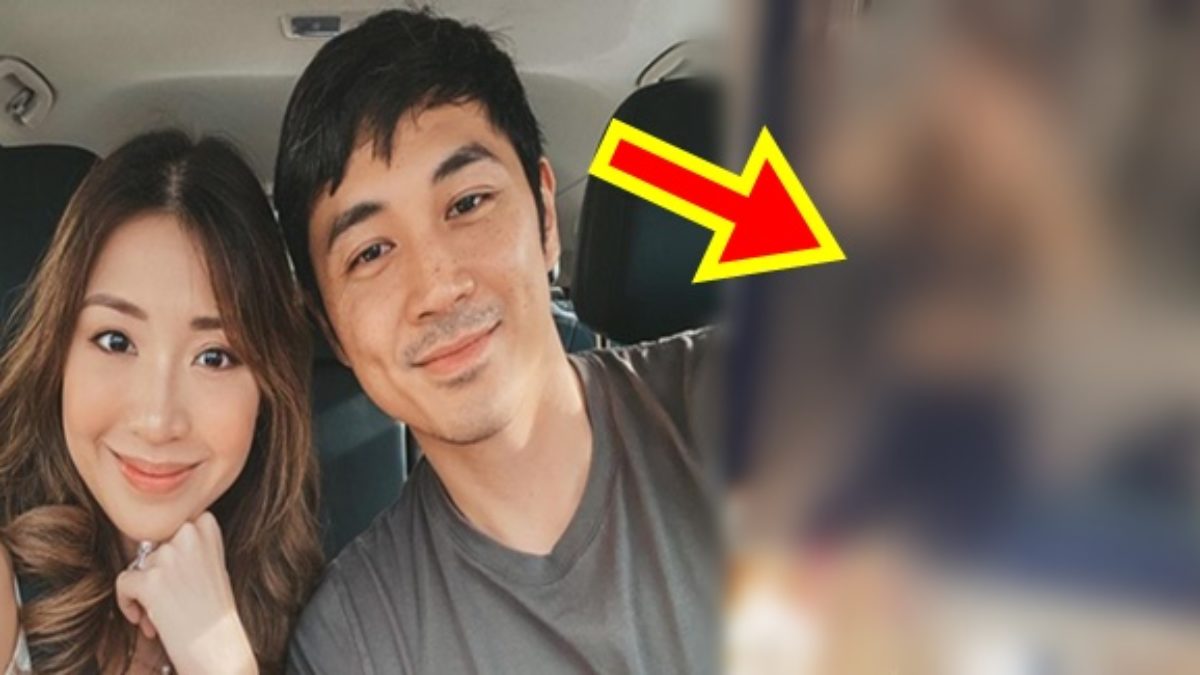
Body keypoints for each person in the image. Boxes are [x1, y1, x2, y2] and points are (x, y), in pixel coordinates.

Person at [274, 8, 719, 674]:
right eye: (370, 252)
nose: (438, 286)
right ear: (329, 325)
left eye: (467, 203)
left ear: (545, 217)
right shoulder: (355, 642)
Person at [0, 130, 323, 674]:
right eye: (116, 341)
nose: (157, 420)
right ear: (57, 355)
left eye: (215, 356)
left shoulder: (328, 615)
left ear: (269, 389)